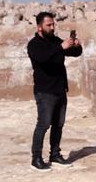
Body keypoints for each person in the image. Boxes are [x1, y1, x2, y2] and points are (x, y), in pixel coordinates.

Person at [26, 11, 82, 170]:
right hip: (45, 92)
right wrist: (61, 47)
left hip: (60, 90)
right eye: (48, 25)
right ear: (39, 27)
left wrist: (76, 45)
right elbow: (44, 58)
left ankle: (55, 154)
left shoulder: (55, 41)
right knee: (44, 124)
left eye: (53, 24)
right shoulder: (34, 45)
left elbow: (74, 53)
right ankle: (36, 158)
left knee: (58, 124)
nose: (52, 27)